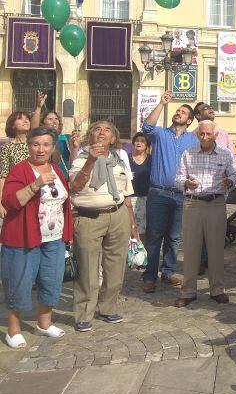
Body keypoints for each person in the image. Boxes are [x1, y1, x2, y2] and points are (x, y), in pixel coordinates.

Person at [1, 126, 73, 349]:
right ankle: (13, 330)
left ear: (53, 148)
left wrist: (68, 233)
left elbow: (65, 202)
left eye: (46, 145)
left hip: (54, 238)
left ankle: (44, 323)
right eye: (35, 144)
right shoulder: (20, 171)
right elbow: (11, 202)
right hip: (23, 237)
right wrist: (35, 184)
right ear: (28, 146)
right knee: (19, 282)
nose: (40, 149)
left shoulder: (56, 169)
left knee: (51, 280)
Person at [69, 121, 137, 332]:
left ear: (113, 139)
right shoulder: (80, 159)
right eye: (97, 129)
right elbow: (76, 186)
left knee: (115, 265)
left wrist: (132, 225)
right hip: (89, 218)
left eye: (107, 129)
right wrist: (91, 161)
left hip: (118, 216)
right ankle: (84, 313)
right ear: (91, 136)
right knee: (88, 267)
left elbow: (127, 196)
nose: (101, 132)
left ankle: (108, 308)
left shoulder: (119, 162)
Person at [173, 120, 236, 308]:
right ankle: (188, 292)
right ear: (197, 134)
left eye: (208, 134)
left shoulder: (225, 154)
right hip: (193, 204)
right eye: (201, 134)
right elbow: (177, 178)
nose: (204, 137)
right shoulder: (188, 153)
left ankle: (217, 290)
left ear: (215, 135)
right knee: (191, 248)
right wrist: (186, 183)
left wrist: (230, 181)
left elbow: (235, 174)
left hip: (216, 203)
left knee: (216, 248)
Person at [141, 91, 198, 293]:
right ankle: (150, 276)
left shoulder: (193, 142)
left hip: (182, 195)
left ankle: (168, 272)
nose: (178, 113)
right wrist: (161, 104)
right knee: (154, 236)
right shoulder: (160, 134)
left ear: (189, 120)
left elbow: (197, 166)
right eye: (177, 110)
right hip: (158, 193)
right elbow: (146, 127)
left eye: (183, 112)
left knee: (174, 237)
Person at [192, 102, 236, 275]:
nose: (210, 109)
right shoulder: (192, 137)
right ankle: (200, 261)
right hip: (196, 196)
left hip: (219, 192)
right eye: (205, 108)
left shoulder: (223, 135)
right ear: (197, 116)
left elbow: (234, 159)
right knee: (198, 231)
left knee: (215, 230)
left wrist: (233, 179)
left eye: (210, 107)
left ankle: (213, 263)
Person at [0, 111, 32, 220]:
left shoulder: (35, 145)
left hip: (36, 191)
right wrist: (1, 201)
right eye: (20, 118)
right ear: (12, 125)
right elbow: (3, 175)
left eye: (27, 118)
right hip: (16, 194)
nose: (25, 120)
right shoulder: (7, 147)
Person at [129, 132, 151, 243]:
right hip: (129, 200)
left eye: (143, 141)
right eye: (137, 140)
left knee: (143, 232)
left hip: (146, 199)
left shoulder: (151, 160)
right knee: (129, 230)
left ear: (146, 144)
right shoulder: (126, 158)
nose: (139, 143)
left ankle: (142, 256)